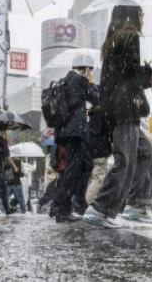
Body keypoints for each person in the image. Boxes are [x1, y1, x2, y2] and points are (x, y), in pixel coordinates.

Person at [82, 5, 152, 229]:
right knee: (126, 160)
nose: (143, 18)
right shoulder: (129, 37)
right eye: (141, 15)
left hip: (117, 108)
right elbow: (130, 73)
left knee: (146, 152)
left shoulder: (115, 40)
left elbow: (122, 73)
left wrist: (143, 74)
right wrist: (148, 75)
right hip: (124, 109)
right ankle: (100, 208)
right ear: (132, 17)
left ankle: (137, 203)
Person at [54, 56, 98, 223]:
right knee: (72, 169)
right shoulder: (80, 80)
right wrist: (92, 83)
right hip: (75, 132)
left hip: (66, 131)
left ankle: (78, 202)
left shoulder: (64, 80)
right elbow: (95, 98)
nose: (90, 73)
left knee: (86, 164)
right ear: (86, 69)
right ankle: (61, 208)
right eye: (90, 70)